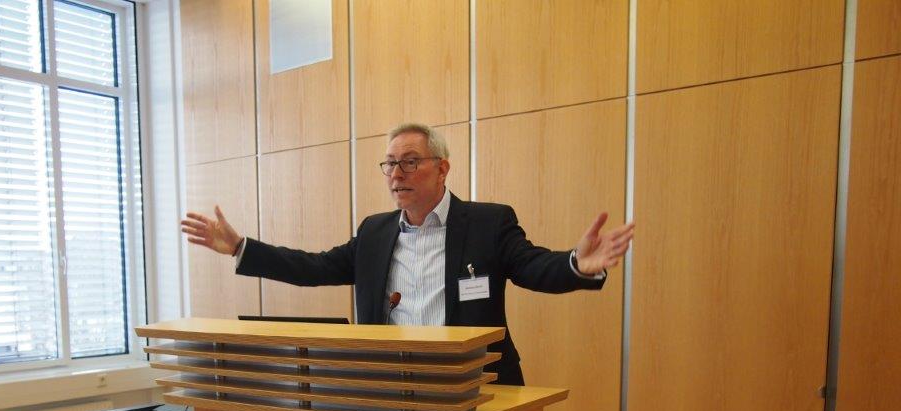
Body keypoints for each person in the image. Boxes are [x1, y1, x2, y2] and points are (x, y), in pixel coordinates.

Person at [181, 122, 634, 384]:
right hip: (391, 387)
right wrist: (240, 247)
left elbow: (532, 266)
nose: (397, 174)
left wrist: (576, 264)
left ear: (442, 168)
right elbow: (314, 267)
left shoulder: (488, 222)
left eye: (410, 162)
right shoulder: (374, 232)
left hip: (476, 386)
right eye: (390, 164)